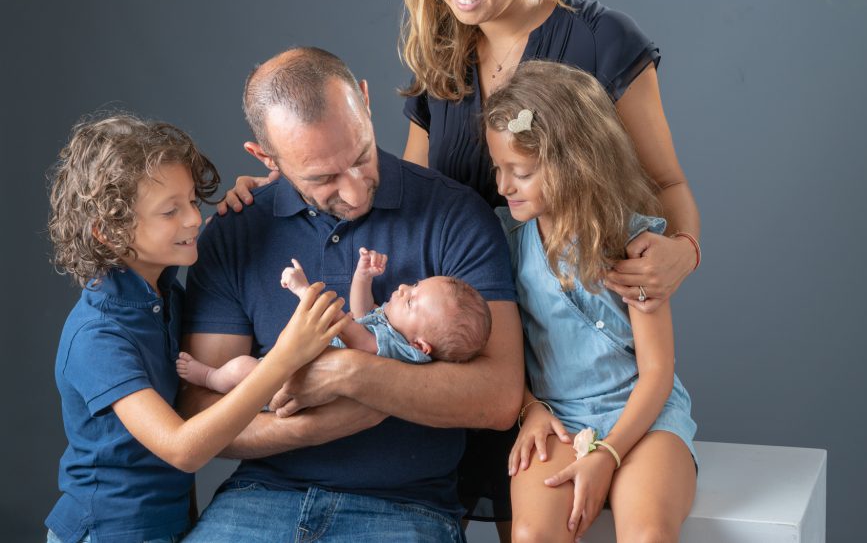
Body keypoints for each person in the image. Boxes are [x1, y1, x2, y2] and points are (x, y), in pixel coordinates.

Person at [217, 0, 702, 528]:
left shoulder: (600, 39)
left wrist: (685, 248)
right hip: (476, 347)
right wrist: (294, 182)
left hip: (575, 327)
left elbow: (668, 183)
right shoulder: (440, 52)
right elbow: (408, 204)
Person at [178, 46, 521, 542]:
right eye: (322, 178)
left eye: (361, 156)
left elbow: (498, 397)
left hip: (406, 509)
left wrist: (347, 372)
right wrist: (313, 427)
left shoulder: (454, 216)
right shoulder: (235, 233)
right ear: (265, 158)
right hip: (260, 500)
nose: (357, 193)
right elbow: (198, 407)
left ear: (364, 99)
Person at [44, 114, 346, 543]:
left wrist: (282, 186)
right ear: (107, 232)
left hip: (169, 525)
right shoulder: (97, 336)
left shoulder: (165, 295)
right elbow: (183, 449)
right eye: (170, 210)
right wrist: (283, 360)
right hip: (108, 532)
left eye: (190, 201)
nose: (192, 219)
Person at [485, 60, 698, 541]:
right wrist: (529, 408)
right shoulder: (506, 243)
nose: (502, 186)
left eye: (519, 172)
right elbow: (497, 353)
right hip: (555, 418)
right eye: (498, 169)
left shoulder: (634, 243)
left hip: (645, 414)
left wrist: (610, 454)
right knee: (531, 536)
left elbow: (658, 372)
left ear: (571, 162)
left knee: (648, 533)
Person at [177, 250, 492, 395]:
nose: (403, 288)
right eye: (416, 284)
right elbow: (361, 311)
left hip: (290, 384)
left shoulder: (401, 352)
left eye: (411, 300)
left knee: (242, 369)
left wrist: (304, 290)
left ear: (421, 345)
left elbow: (350, 328)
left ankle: (209, 378)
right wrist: (362, 276)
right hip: (295, 368)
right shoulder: (393, 330)